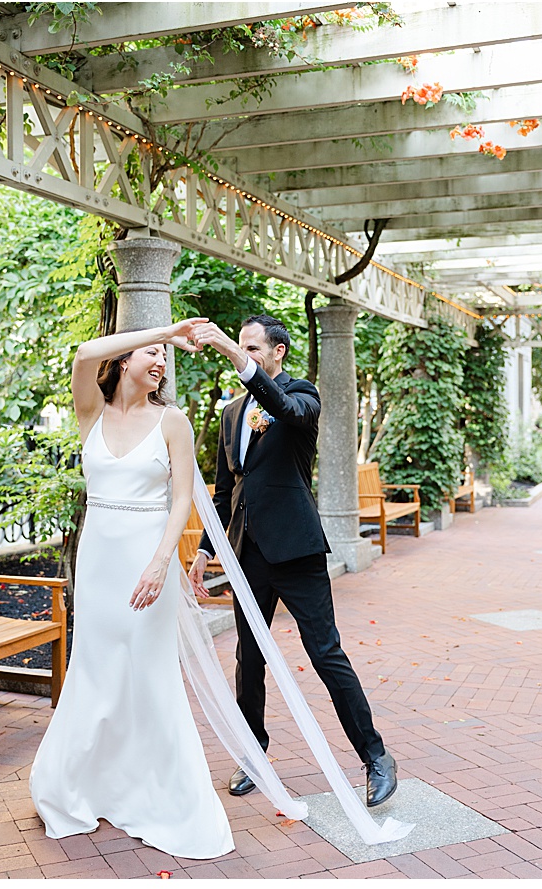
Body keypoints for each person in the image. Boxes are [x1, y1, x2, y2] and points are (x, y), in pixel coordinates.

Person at [29, 319, 237, 859]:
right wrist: (166, 330)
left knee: (147, 673)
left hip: (151, 560)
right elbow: (82, 351)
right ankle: (86, 783)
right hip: (98, 563)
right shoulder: (90, 413)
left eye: (165, 358)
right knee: (96, 668)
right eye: (151, 353)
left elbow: (183, 500)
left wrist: (161, 562)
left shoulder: (173, 422)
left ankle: (158, 793)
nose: (161, 363)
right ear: (123, 361)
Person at [187, 314, 397, 808]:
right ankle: (254, 755)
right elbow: (225, 490)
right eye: (242, 346)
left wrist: (236, 358)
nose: (246, 352)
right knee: (248, 659)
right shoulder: (231, 413)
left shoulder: (303, 394)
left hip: (296, 549)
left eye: (254, 347)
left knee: (326, 654)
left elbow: (283, 407)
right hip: (248, 553)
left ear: (277, 352)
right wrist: (204, 550)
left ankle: (376, 757)